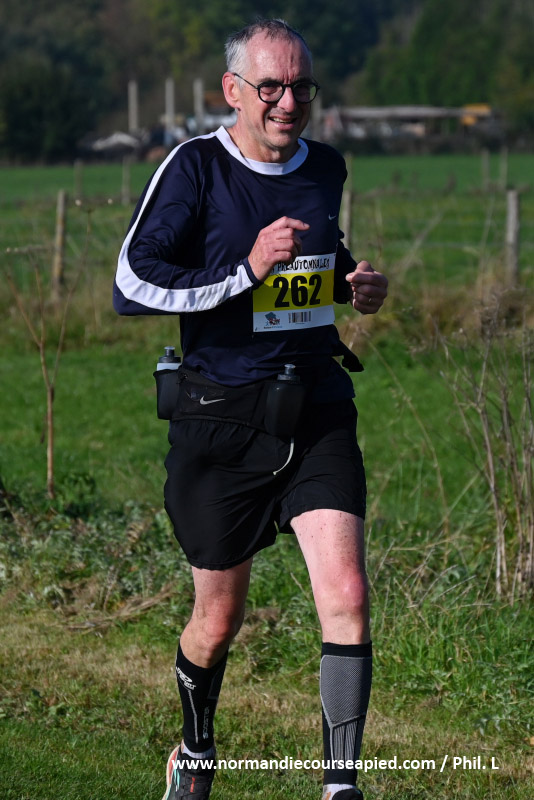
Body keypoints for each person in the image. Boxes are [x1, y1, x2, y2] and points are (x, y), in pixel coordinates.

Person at [114, 18, 388, 800]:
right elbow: (132, 284)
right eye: (270, 87)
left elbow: (315, 262)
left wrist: (352, 284)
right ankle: (196, 752)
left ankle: (341, 787)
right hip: (222, 417)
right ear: (232, 91)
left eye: (301, 87)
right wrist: (244, 269)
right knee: (218, 621)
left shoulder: (325, 166)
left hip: (315, 406)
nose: (288, 103)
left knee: (348, 595)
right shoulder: (196, 167)